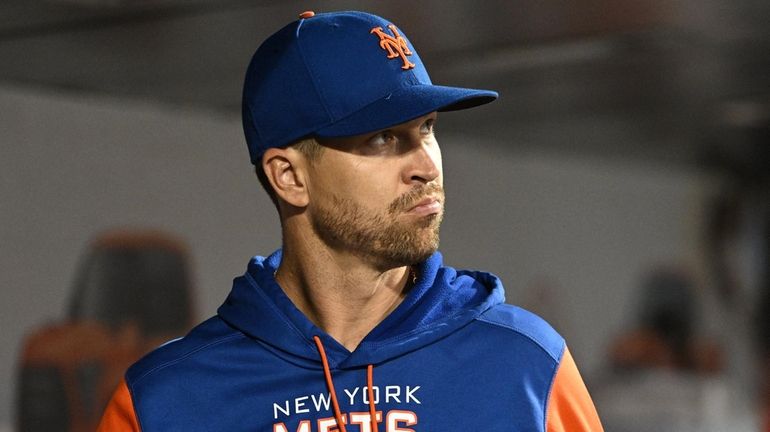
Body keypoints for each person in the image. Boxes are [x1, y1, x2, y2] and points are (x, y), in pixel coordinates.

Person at [97, 10, 602, 431]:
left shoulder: (526, 365)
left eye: (426, 128)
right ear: (289, 177)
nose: (425, 165)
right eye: (382, 139)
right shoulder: (164, 403)